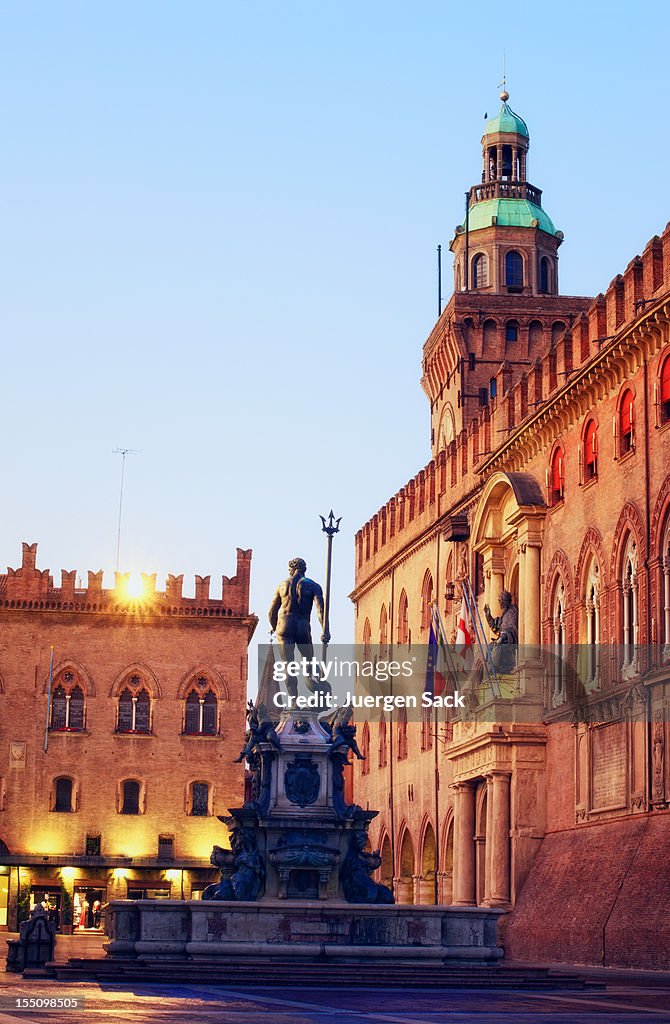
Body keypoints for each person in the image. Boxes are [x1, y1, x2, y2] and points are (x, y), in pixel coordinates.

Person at [268, 557, 330, 697]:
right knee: (308, 661)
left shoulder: (282, 585)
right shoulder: (313, 585)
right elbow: (321, 611)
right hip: (302, 627)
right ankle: (311, 683)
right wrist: (325, 629)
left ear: (291, 569)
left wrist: (274, 627)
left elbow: (272, 612)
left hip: (284, 626)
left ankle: (294, 701)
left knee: (288, 666)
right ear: (304, 570)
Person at [484, 590, 519, 673]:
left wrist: (502, 637)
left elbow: (512, 628)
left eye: (500, 600)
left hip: (509, 643)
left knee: (498, 647)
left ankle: (496, 669)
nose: (499, 603)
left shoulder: (511, 613)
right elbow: (496, 628)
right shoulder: (504, 615)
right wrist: (488, 616)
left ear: (504, 601)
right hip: (504, 640)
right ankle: (493, 668)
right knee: (490, 647)